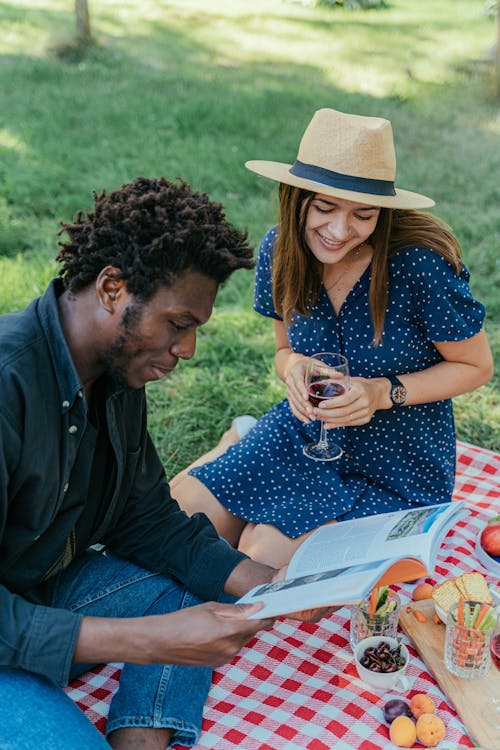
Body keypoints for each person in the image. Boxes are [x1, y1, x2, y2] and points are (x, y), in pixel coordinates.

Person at [0, 176, 328, 750]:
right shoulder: (8, 385)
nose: (187, 349)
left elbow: (147, 519)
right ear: (112, 288)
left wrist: (270, 584)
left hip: (41, 592)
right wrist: (148, 640)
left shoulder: (113, 373)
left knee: (195, 595)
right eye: (178, 324)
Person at [173, 108, 494, 569]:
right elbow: (285, 351)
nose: (340, 231)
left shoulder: (419, 264)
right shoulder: (279, 248)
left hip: (396, 460)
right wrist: (293, 370)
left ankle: (241, 443)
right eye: (324, 208)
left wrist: (382, 392)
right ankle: (241, 439)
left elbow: (476, 366)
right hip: (304, 434)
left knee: (265, 566)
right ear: (296, 197)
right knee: (182, 520)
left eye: (363, 215)